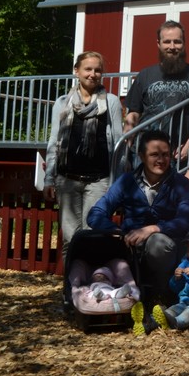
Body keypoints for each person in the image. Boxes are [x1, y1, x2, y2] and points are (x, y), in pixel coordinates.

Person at [87, 130, 189, 318]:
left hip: (168, 249)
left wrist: (155, 228)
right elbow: (96, 213)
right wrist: (116, 232)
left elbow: (188, 219)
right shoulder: (127, 181)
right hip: (132, 246)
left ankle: (160, 296)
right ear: (141, 156)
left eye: (165, 154)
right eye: (154, 154)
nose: (161, 160)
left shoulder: (181, 183)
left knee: (158, 243)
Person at [43, 51, 124, 262]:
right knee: (70, 237)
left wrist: (118, 183)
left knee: (93, 234)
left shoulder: (112, 103)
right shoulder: (62, 103)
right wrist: (49, 179)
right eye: (88, 69)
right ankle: (71, 289)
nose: (93, 74)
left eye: (98, 70)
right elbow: (54, 142)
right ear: (76, 71)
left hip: (99, 181)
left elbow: (118, 144)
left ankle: (90, 288)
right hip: (67, 180)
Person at [124, 20, 189, 163]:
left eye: (177, 42)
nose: (172, 47)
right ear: (158, 44)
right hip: (143, 152)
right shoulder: (145, 75)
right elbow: (133, 113)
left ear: (184, 43)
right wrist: (126, 147)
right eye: (167, 42)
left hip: (176, 153)